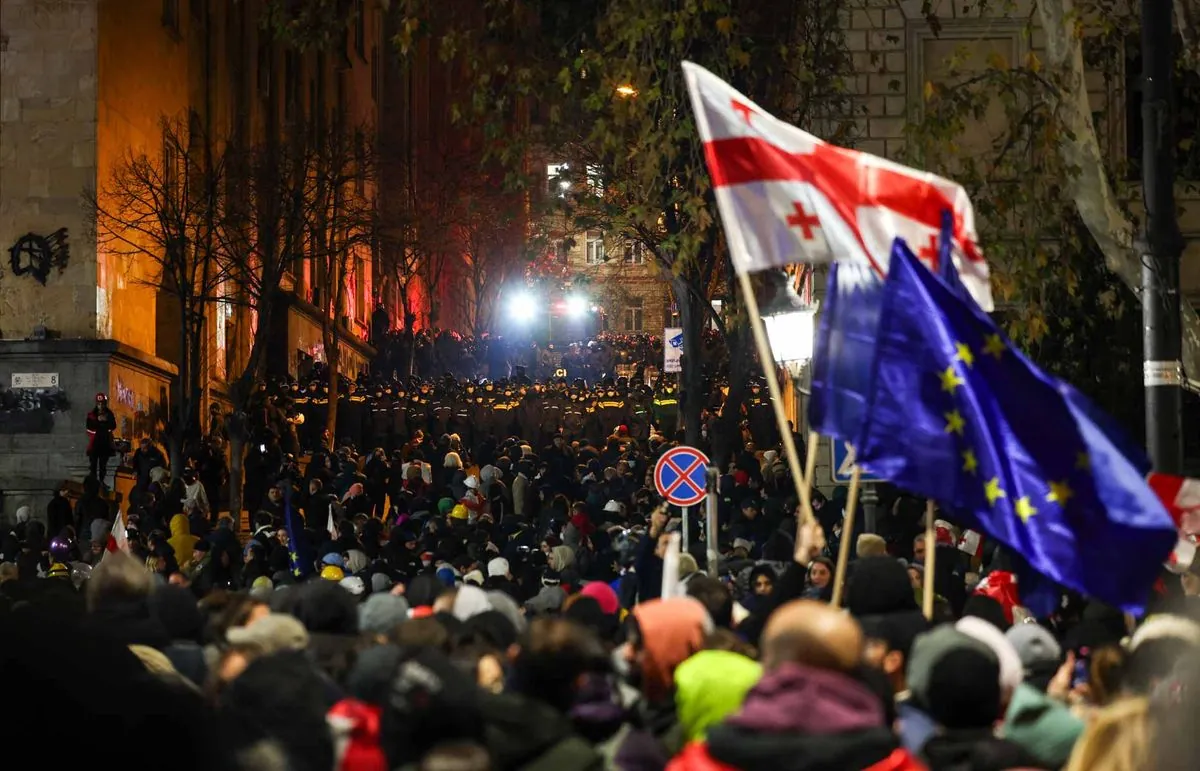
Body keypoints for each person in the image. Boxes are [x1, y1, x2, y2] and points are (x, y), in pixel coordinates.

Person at [86, 392, 117, 484]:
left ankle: (101, 482)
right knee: (93, 465)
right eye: (99, 403)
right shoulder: (92, 414)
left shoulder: (109, 413)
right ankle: (93, 482)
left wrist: (105, 421)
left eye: (102, 403)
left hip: (105, 443)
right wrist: (98, 420)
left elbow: (113, 425)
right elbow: (89, 426)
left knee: (103, 465)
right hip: (94, 444)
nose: (101, 405)